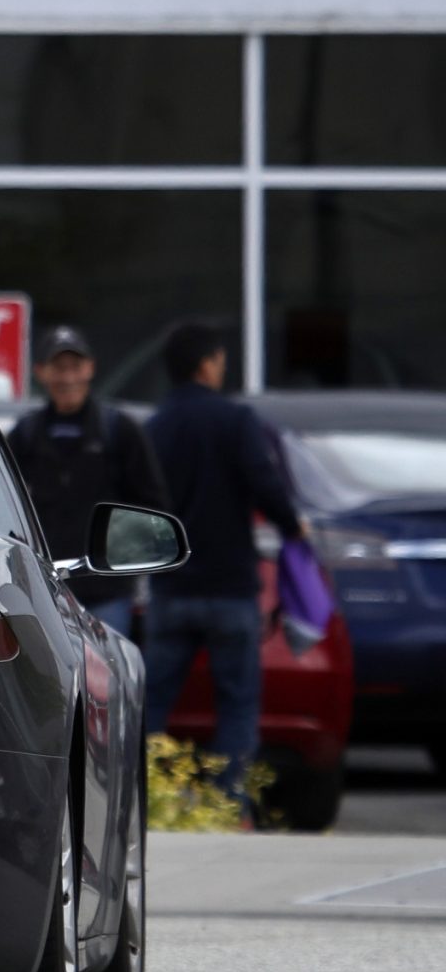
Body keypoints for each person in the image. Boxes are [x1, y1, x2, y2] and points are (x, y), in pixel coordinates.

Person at [142, 319, 303, 814]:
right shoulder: (236, 421)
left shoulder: (154, 427)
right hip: (230, 586)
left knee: (151, 704)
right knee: (236, 703)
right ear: (207, 364)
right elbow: (266, 484)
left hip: (171, 587)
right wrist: (294, 529)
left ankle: (145, 796)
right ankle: (228, 804)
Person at [4, 325, 171, 639]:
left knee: (107, 683)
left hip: (108, 593)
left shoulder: (120, 431)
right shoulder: (25, 436)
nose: (67, 378)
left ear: (90, 368)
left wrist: (121, 554)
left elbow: (153, 507)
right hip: (44, 592)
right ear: (41, 372)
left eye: (75, 367)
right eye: (58, 368)